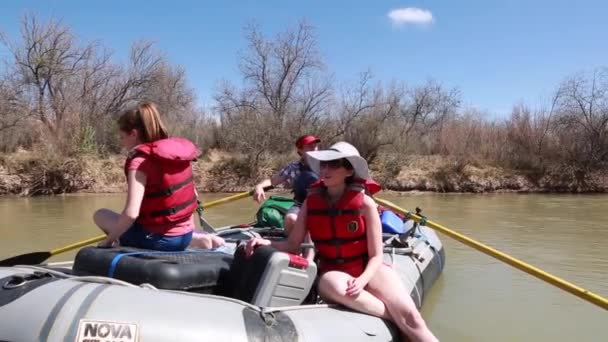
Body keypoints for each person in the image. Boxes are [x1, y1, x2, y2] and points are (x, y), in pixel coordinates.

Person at [245, 142, 439, 342]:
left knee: (414, 319)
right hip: (334, 274)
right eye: (324, 164)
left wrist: (363, 280)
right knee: (331, 284)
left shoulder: (365, 204)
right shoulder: (311, 202)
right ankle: (397, 320)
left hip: (368, 268)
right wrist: (266, 242)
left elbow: (376, 255)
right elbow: (292, 245)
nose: (326, 170)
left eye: (334, 164)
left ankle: (406, 323)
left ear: (348, 171)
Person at [93, 102, 223, 251]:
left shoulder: (140, 162)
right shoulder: (176, 155)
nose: (122, 143)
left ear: (133, 134)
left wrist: (108, 241)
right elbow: (192, 194)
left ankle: (121, 246)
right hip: (185, 234)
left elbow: (131, 214)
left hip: (161, 241)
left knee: (100, 215)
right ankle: (197, 239)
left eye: (122, 137)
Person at [253, 135, 321, 235]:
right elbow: (272, 182)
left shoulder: (327, 164)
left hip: (324, 202)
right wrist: (259, 187)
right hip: (301, 204)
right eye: (310, 146)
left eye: (315, 146)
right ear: (300, 150)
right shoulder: (293, 167)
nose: (314, 149)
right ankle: (293, 246)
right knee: (290, 218)